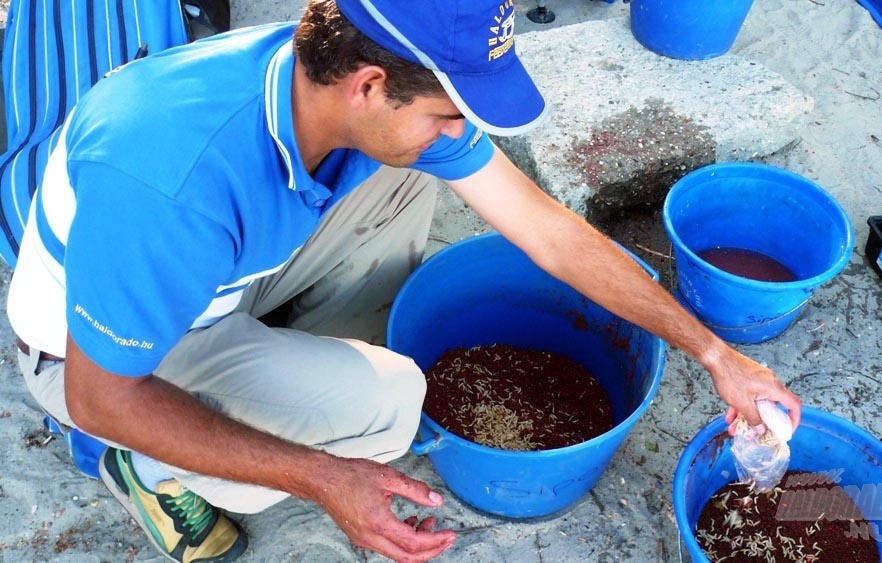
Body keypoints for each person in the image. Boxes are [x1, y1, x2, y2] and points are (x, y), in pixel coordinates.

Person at [6, 1, 803, 562]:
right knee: (389, 404)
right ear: (368, 87)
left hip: (210, 281)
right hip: (97, 361)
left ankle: (284, 367)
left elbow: (548, 232)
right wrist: (324, 478)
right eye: (448, 114)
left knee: (410, 177)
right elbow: (101, 392)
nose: (460, 134)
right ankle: (141, 470)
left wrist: (711, 350)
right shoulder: (172, 183)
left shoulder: (327, 82)